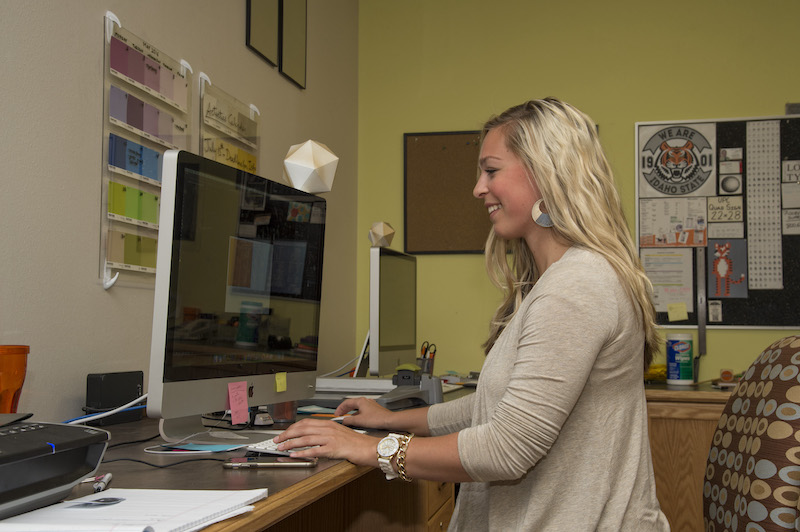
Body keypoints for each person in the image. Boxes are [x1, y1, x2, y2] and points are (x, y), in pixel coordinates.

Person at [274, 98, 670, 530]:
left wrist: (373, 448)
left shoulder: (576, 287)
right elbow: (490, 409)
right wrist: (389, 419)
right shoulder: (562, 281)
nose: (478, 188)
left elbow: (506, 447)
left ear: (547, 173)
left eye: (492, 170)